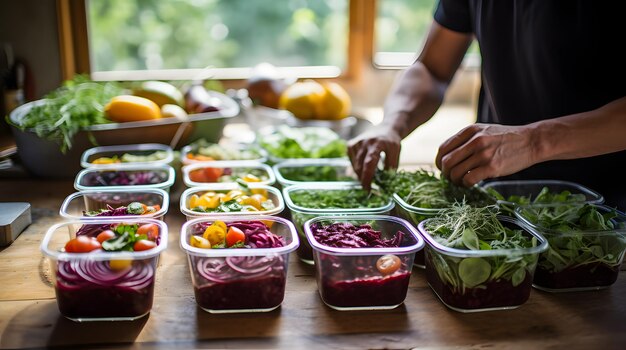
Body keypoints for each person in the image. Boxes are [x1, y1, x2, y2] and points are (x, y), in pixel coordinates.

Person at [348, 0, 626, 210]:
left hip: (606, 217)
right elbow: (432, 68)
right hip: (499, 200)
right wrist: (391, 125)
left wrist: (534, 142)